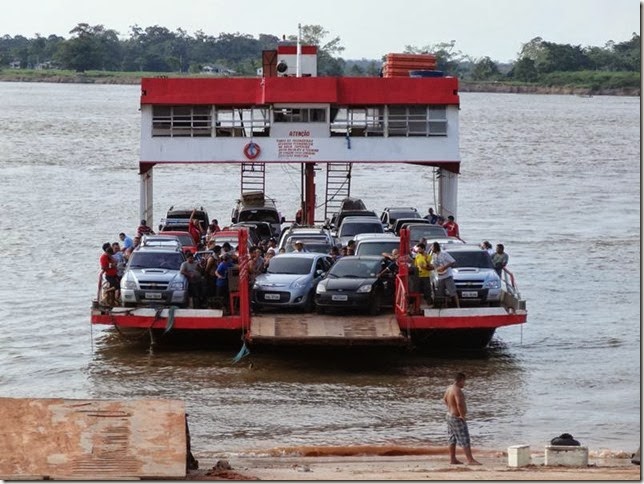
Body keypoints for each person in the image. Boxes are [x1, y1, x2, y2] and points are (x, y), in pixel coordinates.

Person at [443, 372, 481, 465]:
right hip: (456, 417)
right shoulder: (457, 390)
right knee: (465, 438)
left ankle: (453, 459)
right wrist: (462, 416)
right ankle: (470, 460)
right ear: (461, 380)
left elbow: (444, 399)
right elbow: (459, 403)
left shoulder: (449, 388)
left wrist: (450, 408)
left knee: (452, 438)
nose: (464, 384)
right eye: (464, 381)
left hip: (449, 416)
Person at [431, 241, 459, 308]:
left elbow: (453, 262)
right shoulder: (434, 256)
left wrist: (444, 267)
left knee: (452, 292)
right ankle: (443, 306)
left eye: (432, 247)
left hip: (447, 276)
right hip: (440, 276)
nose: (431, 249)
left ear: (435, 247)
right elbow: (433, 265)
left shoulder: (444, 254)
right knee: (440, 293)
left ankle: (458, 306)